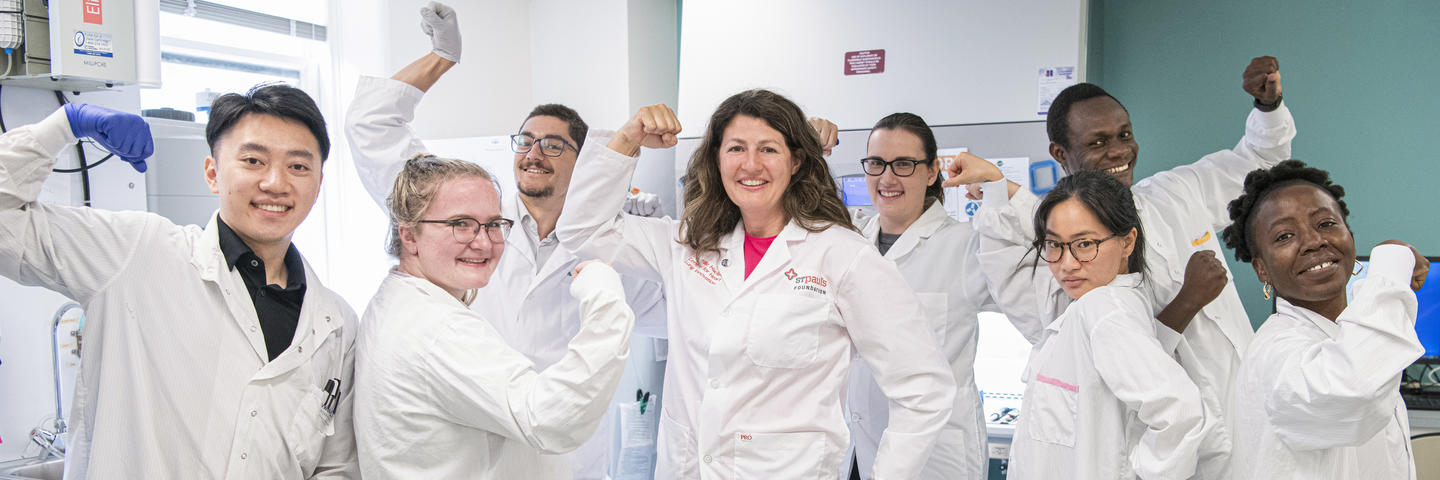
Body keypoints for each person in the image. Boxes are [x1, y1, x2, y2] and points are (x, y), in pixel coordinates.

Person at [555, 91, 955, 479]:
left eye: (768, 149)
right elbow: (581, 229)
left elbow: (924, 387)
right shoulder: (686, 244)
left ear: (796, 161)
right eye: (735, 149)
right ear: (716, 160)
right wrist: (627, 139)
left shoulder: (842, 256)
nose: (751, 164)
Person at [344, 4, 665, 477]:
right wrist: (442, 55)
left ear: (585, 162)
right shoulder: (463, 201)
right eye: (525, 140)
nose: (534, 153)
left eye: (554, 145)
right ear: (408, 232)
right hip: (495, 437)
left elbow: (684, 311)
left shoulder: (605, 245)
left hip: (564, 460)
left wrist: (652, 245)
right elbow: (370, 126)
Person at [949, 56, 1295, 478]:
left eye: (1124, 134)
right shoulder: (1069, 265)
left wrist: (1268, 107)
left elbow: (1258, 163)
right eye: (1097, 142)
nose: (1118, 150)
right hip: (1171, 451)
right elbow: (1105, 354)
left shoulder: (1176, 192)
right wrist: (1188, 300)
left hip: (1245, 419)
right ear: (1060, 153)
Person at [0, 86, 359, 478]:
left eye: (298, 167)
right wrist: (62, 127)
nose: (275, 182)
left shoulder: (335, 322)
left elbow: (335, 464)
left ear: (319, 184)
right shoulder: (137, 253)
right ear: (213, 173)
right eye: (254, 160)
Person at [354, 155, 635, 479]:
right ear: (410, 236)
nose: (484, 242)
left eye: (493, 224)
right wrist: (606, 300)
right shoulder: (439, 330)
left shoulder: (397, 299)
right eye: (461, 224)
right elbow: (551, 420)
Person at [845, 112, 1050, 479]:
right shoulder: (849, 244)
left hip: (935, 460)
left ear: (930, 172)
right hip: (859, 451)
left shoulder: (967, 245)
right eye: (877, 163)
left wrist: (1003, 189)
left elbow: (1051, 272)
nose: (887, 178)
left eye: (904, 164)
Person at [1221, 160, 1429, 479]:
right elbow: (1356, 391)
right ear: (1261, 268)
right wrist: (1388, 271)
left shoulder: (1344, 334)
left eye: (1326, 224)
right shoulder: (1276, 352)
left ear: (1350, 235)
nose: (1314, 241)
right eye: (1284, 236)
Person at [1006, 170, 1211, 479]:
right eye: (1054, 245)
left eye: (1085, 244)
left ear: (1127, 242)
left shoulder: (1104, 310)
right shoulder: (1103, 306)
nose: (1067, 264)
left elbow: (1180, 413)